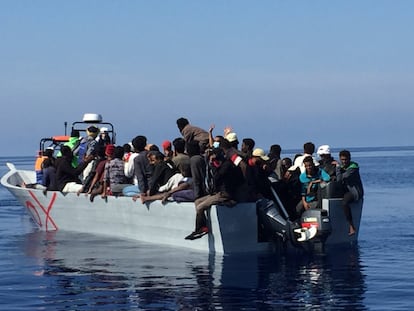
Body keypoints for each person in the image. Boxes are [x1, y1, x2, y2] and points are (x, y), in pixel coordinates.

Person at [185, 147, 245, 240]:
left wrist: (212, 165)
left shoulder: (227, 165)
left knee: (200, 207)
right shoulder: (222, 165)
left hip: (225, 194)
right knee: (197, 201)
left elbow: (217, 177)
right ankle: (203, 225)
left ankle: (200, 228)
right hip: (218, 192)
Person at [336, 149, 364, 235]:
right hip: (347, 190)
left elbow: (339, 179)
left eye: (345, 160)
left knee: (344, 202)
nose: (344, 162)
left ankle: (352, 226)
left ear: (349, 159)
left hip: (356, 192)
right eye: (342, 160)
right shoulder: (343, 166)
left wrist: (337, 168)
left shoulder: (353, 168)